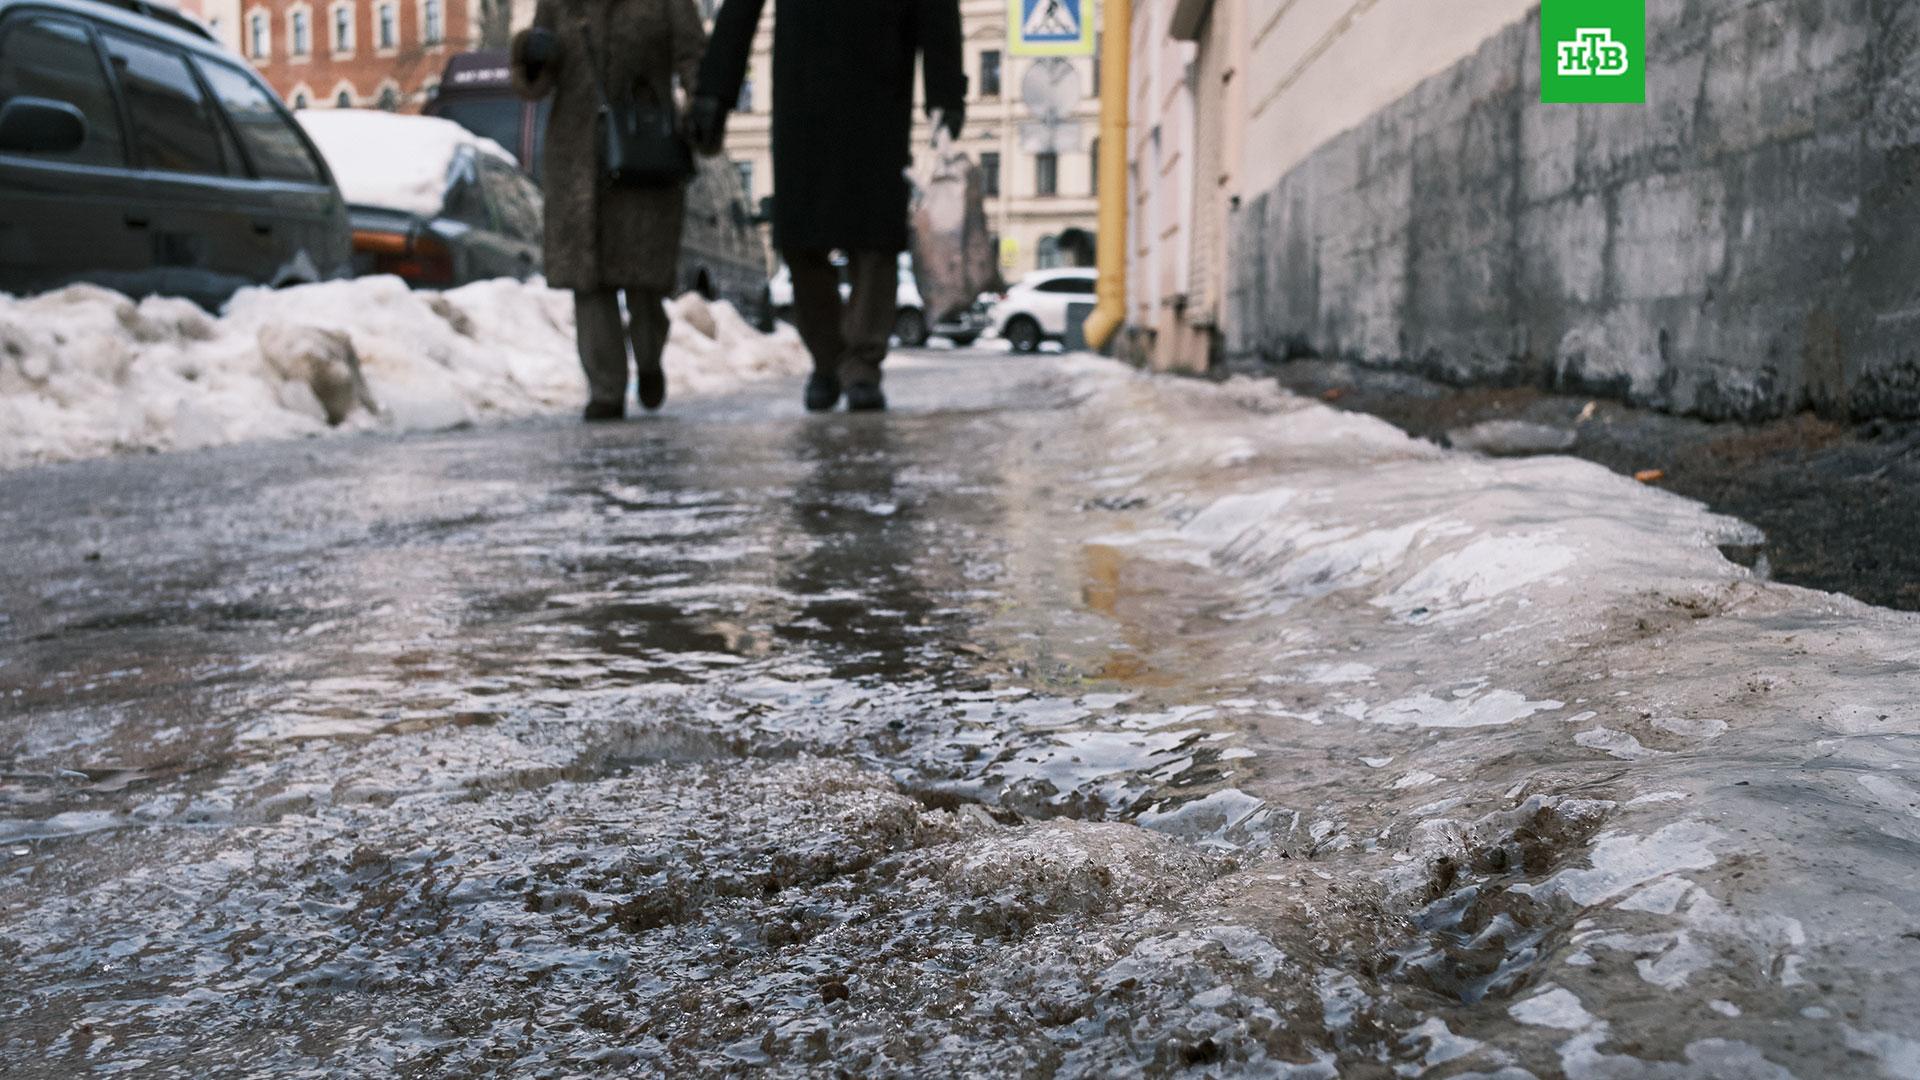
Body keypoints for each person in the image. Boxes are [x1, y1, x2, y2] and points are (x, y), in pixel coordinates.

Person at [691, 0, 966, 413]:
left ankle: (863, 364)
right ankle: (826, 359)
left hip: (880, 90)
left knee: (875, 239)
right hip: (803, 89)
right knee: (801, 237)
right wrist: (717, 88)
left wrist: (946, 92)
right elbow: (740, 8)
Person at [510, 0, 706, 420]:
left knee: (645, 281)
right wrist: (531, 57)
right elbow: (538, 81)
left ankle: (650, 358)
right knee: (589, 279)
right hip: (576, 153)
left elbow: (692, 55)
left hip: (644, 146)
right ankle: (606, 389)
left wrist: (700, 106)